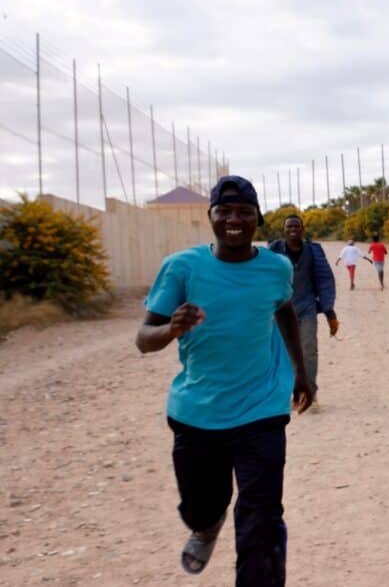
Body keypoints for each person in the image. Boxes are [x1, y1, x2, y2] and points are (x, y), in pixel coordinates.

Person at [134, 175, 314, 586]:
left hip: (262, 408)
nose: (235, 219)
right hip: (198, 412)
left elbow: (284, 308)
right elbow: (144, 340)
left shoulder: (275, 266)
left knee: (262, 516)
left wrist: (299, 371)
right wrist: (170, 330)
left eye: (245, 212)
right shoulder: (181, 268)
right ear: (210, 217)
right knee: (201, 506)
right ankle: (205, 524)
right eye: (225, 211)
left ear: (257, 219)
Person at [269, 215, 338, 406]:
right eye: (289, 226)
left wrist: (329, 311)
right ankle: (292, 392)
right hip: (282, 309)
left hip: (307, 307)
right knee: (284, 352)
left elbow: (324, 279)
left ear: (302, 229)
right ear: (284, 230)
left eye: (296, 226)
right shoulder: (274, 250)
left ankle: (310, 392)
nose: (293, 229)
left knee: (308, 349)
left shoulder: (313, 251)